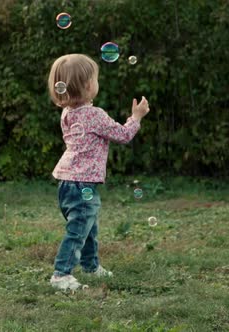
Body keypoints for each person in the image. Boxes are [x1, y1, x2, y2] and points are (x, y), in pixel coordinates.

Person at [47, 54, 150, 291]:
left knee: (88, 227)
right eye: (94, 79)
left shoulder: (67, 112)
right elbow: (123, 135)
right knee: (78, 231)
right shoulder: (94, 115)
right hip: (81, 182)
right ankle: (61, 275)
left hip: (67, 181)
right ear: (86, 85)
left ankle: (91, 266)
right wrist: (136, 117)